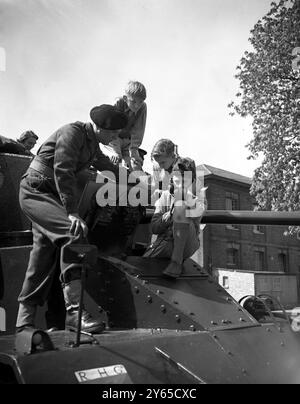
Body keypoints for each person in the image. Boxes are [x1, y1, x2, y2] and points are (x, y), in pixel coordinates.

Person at [16, 104, 128, 334]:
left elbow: (107, 167)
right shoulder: (73, 133)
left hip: (50, 196)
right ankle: (74, 311)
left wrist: (137, 183)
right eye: (114, 132)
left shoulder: (92, 145)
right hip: (36, 190)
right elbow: (62, 169)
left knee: (42, 259)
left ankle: (24, 323)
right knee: (73, 232)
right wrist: (72, 211)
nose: (117, 137)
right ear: (100, 128)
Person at [144, 157, 205, 279]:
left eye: (185, 182)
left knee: (181, 207)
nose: (181, 186)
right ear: (172, 180)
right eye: (178, 182)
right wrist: (168, 217)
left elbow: (197, 212)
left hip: (187, 243)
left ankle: (176, 263)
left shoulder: (197, 198)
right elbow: (154, 228)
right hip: (164, 243)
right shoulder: (165, 197)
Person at [107, 81, 147, 171]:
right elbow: (111, 129)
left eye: (140, 102)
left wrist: (134, 151)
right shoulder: (118, 103)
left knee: (134, 166)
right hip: (111, 141)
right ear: (125, 98)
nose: (137, 106)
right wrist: (116, 152)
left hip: (127, 143)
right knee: (115, 161)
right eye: (133, 102)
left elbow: (138, 130)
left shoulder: (143, 107)